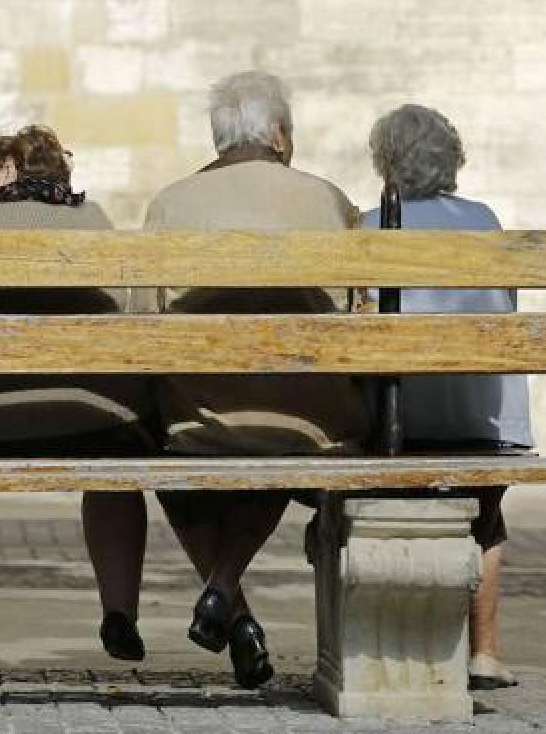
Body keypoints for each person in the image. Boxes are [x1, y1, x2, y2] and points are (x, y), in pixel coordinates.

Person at [142, 71, 370, 688]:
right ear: (276, 134)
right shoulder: (329, 200)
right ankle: (223, 595)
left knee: (196, 445)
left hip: (201, 419)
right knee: (281, 420)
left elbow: (144, 321)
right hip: (311, 420)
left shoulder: (170, 203)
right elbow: (360, 309)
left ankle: (232, 606)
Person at [0, 125, 157, 660]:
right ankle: (120, 614)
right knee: (115, 475)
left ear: (11, 170)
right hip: (92, 419)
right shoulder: (96, 224)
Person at [364, 103, 532, 691]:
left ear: (385, 162)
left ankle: (393, 651)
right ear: (451, 160)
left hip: (394, 427)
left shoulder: (368, 224)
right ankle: (485, 653)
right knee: (485, 516)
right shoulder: (485, 221)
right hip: (484, 425)